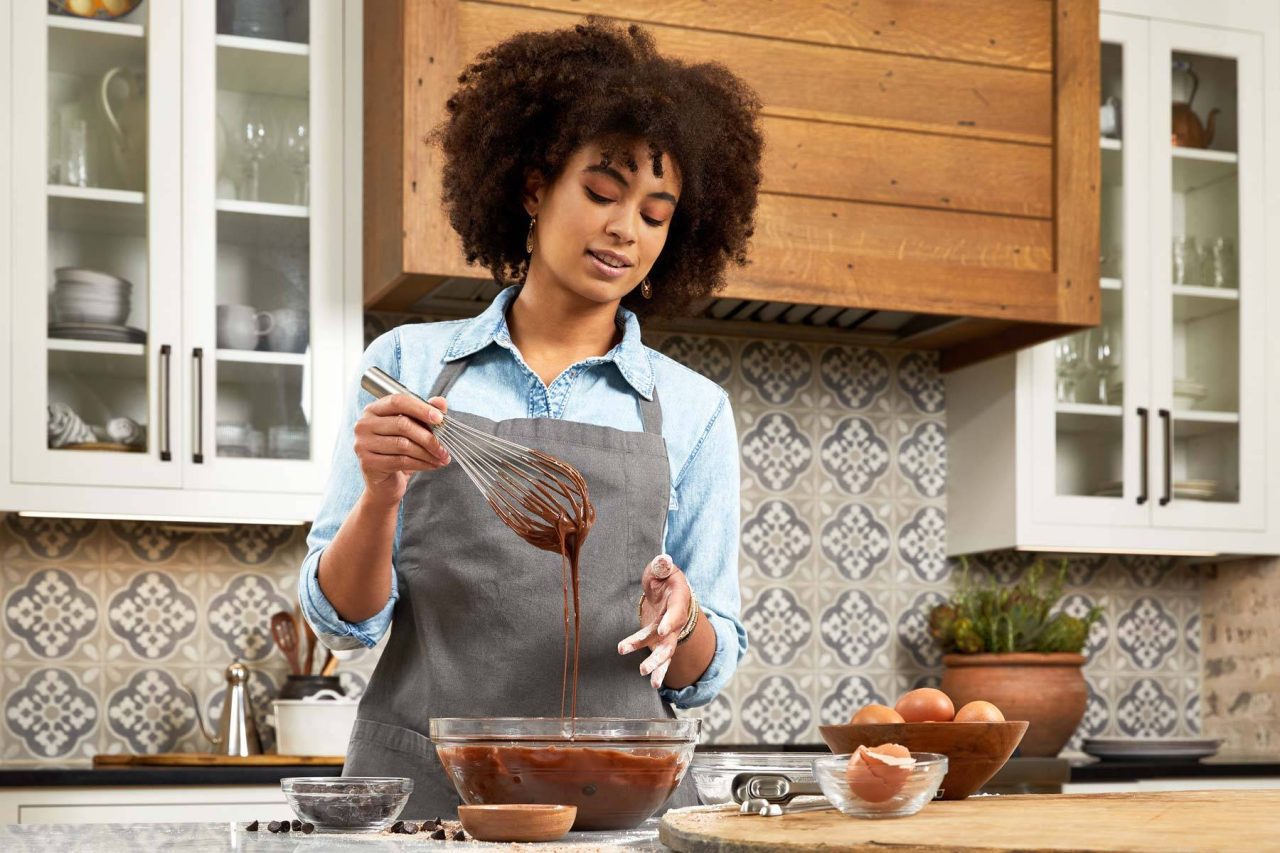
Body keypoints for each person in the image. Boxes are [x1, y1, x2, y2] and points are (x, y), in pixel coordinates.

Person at [299, 18, 763, 818]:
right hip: (432, 802)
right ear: (533, 185)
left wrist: (681, 620)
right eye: (602, 191)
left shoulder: (693, 410)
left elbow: (704, 671)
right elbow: (342, 620)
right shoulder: (410, 366)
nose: (625, 228)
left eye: (656, 213)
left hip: (618, 812)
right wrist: (381, 492)